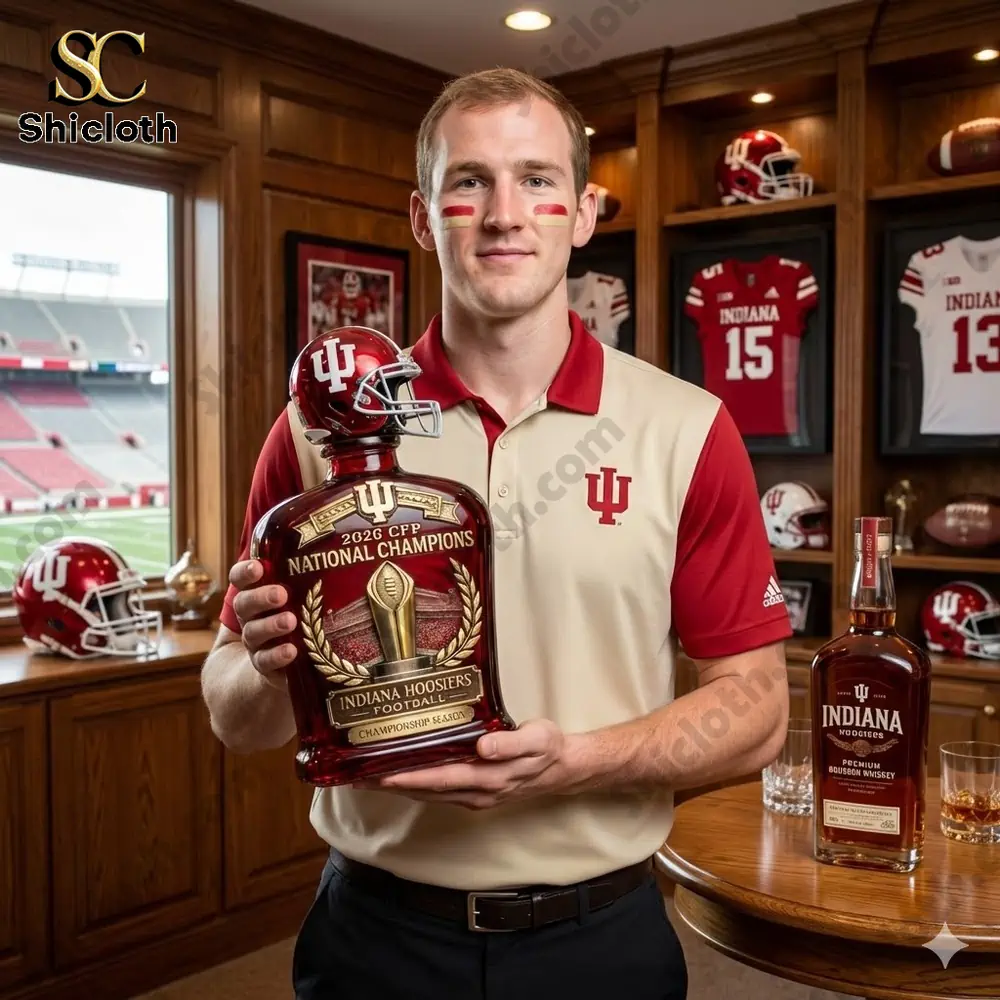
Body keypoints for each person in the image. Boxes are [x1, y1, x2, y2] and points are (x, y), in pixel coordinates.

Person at [201, 67, 791, 1000]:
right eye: (468, 182)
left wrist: (574, 763)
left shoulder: (686, 428)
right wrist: (267, 668)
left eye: (537, 179)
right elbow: (236, 712)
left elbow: (757, 708)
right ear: (423, 217)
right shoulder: (322, 428)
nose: (505, 213)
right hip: (376, 937)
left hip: (601, 939)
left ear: (585, 212)